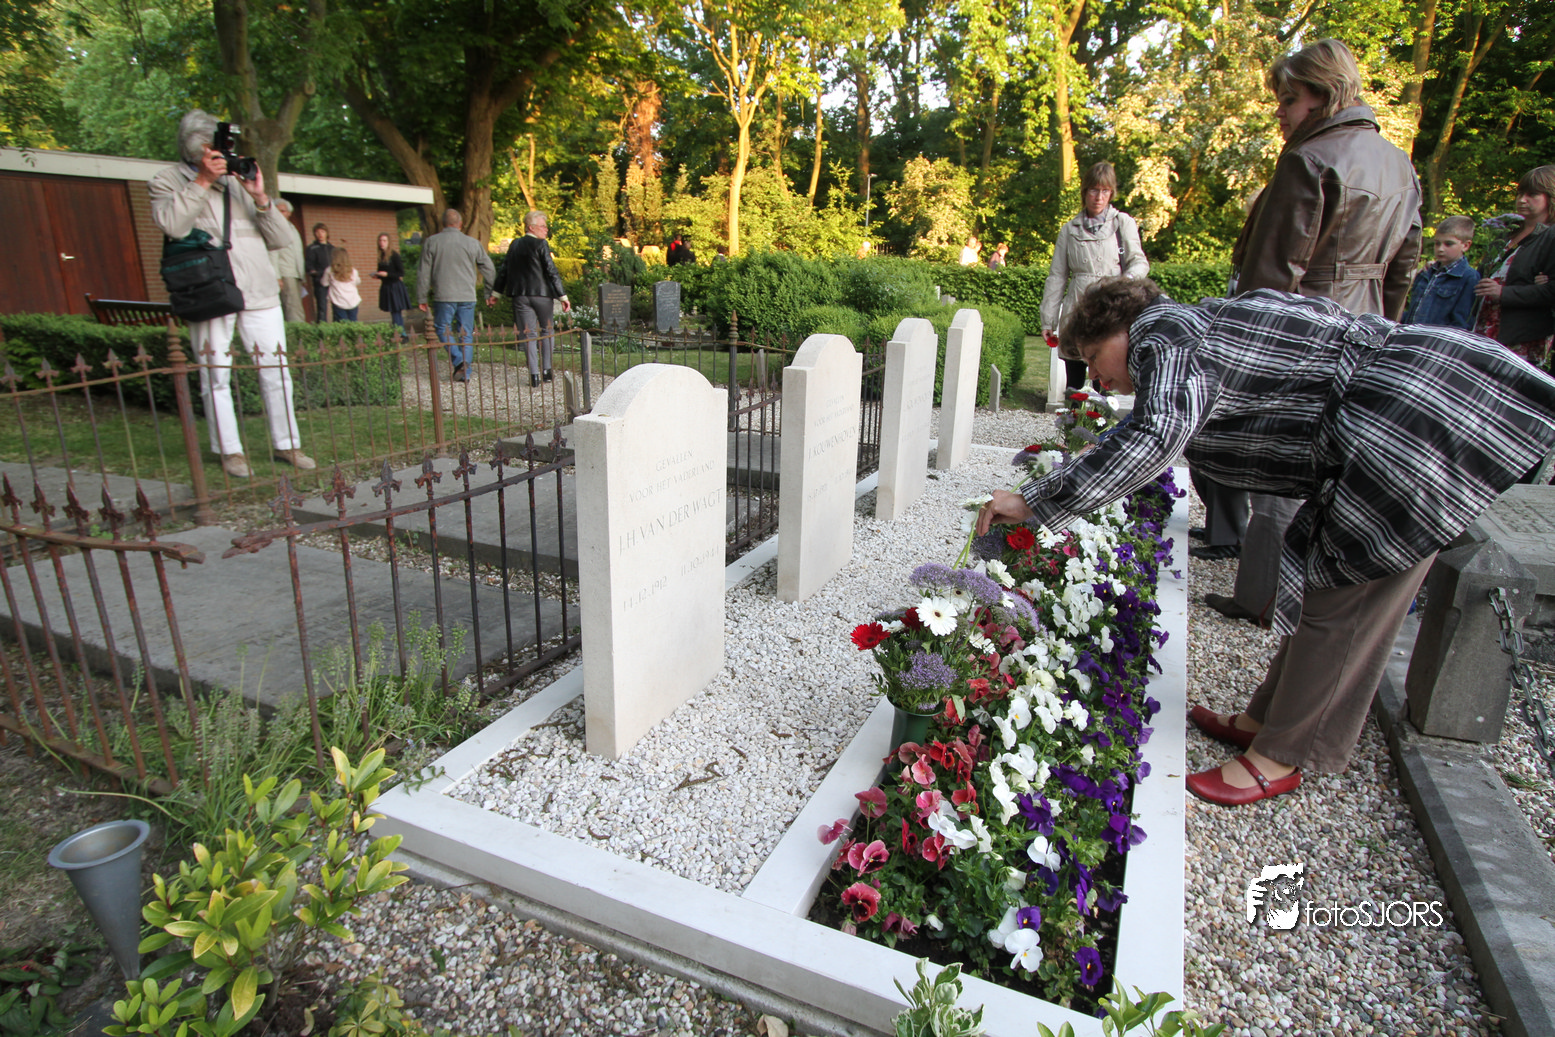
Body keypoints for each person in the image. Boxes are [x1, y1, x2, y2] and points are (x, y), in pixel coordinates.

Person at [977, 277, 1555, 805]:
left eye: (1093, 358)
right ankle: (1267, 719)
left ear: (1121, 327)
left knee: (1349, 600)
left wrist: (1033, 502)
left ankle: (1285, 753)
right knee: (1331, 591)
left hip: (1410, 426)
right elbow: (1151, 426)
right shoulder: (1191, 327)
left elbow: (1154, 435)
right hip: (1406, 405)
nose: (1097, 378)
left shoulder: (1163, 335)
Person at [1201, 38, 1422, 619]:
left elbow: (1272, 277)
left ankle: (1264, 599)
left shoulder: (1310, 159)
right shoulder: (1400, 164)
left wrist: (1242, 355)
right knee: (1332, 466)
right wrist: (1385, 334)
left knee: (1282, 464)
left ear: (1323, 96)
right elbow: (1403, 267)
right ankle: (1305, 597)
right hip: (1367, 322)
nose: (1280, 113)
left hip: (1307, 329)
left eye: (1288, 100)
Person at [149, 109, 315, 479]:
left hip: (258, 290)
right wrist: (203, 181)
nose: (222, 154)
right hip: (209, 291)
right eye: (213, 148)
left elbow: (282, 240)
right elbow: (173, 225)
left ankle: (287, 444)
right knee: (215, 374)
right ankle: (230, 451)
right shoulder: (166, 181)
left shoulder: (238, 181)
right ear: (196, 149)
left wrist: (261, 198)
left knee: (277, 371)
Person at [1041, 161, 1149, 394]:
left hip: (1110, 308)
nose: (1099, 197)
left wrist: (1125, 282)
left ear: (1111, 193)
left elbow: (1140, 262)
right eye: (1094, 190)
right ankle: (1071, 418)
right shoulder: (1069, 230)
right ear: (1085, 191)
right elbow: (1057, 276)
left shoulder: (1122, 223)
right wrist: (1048, 320)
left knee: (1106, 377)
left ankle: (1101, 417)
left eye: (1105, 191)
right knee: (1074, 383)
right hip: (1077, 307)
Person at [1473, 165, 1555, 365]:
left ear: (1551, 197)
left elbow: (1551, 292)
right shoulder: (1507, 231)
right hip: (1483, 327)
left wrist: (1503, 293)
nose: (1522, 200)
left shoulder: (1550, 237)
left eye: (1532, 194)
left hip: (1519, 338)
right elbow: (1481, 274)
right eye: (1520, 193)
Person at [417, 208, 496, 383]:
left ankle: (459, 360)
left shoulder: (432, 242)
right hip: (467, 295)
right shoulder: (472, 243)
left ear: (443, 223)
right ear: (460, 224)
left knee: (442, 328)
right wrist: (489, 292)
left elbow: (423, 272)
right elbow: (489, 269)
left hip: (444, 295)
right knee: (466, 333)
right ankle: (464, 371)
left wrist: (422, 297)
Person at [498, 210, 572, 387]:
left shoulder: (515, 244)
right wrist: (562, 296)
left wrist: (496, 292)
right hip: (541, 294)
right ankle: (547, 371)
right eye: (542, 226)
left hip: (520, 295)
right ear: (531, 227)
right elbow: (551, 270)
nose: (546, 229)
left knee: (528, 333)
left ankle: (534, 375)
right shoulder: (541, 244)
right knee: (547, 330)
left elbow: (504, 269)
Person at [1402, 216, 1480, 330]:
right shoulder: (1427, 272)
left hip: (1437, 338)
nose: (1440, 249)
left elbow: (1461, 323)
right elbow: (1412, 311)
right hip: (1411, 333)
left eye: (1448, 244)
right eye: (1437, 243)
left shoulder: (1469, 277)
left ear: (1465, 245)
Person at [268, 198, 307, 323]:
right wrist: (277, 276)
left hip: (296, 273)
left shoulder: (292, 228)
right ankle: (298, 332)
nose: (280, 214)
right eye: (277, 211)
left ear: (289, 213)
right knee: (292, 307)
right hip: (286, 272)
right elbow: (273, 252)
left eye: (283, 211)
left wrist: (302, 276)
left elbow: (298, 253)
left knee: (296, 305)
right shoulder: (275, 228)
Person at [371, 232, 410, 332]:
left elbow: (401, 273)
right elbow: (383, 272)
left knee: (396, 312)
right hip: (387, 286)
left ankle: (401, 333)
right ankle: (399, 333)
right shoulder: (381, 256)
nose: (382, 243)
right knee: (393, 313)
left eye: (384, 241)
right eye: (380, 240)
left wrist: (387, 274)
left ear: (388, 242)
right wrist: (378, 276)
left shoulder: (394, 255)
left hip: (394, 286)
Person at [323, 246, 361, 322]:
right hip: (353, 301)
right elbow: (358, 282)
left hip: (338, 301)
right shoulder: (353, 271)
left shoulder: (330, 270)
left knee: (342, 324)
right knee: (353, 323)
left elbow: (324, 283)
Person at [305, 223, 333, 323]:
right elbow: (308, 264)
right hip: (320, 280)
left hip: (333, 280)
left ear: (327, 233)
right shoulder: (312, 248)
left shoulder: (332, 248)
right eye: (317, 232)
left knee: (337, 304)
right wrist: (313, 272)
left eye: (322, 231)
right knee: (322, 306)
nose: (320, 234)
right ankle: (322, 326)